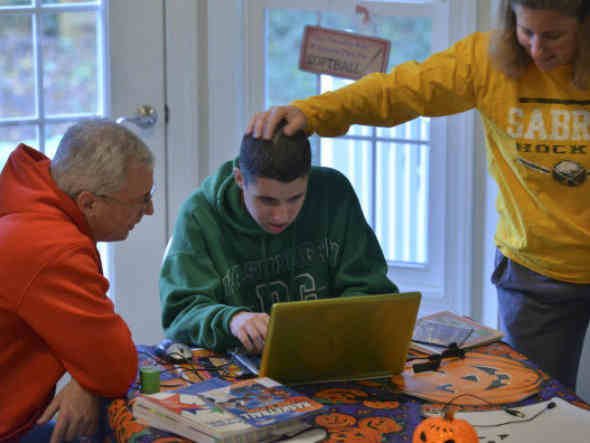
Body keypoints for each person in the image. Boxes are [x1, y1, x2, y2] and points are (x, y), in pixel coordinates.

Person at [247, 0, 590, 390]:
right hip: (534, 273)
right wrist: (312, 112)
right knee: (536, 401)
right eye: (526, 32)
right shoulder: (485, 60)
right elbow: (400, 91)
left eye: (554, 36)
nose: (536, 49)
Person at [160, 122, 398, 355]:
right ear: (239, 179)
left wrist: (333, 325)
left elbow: (371, 289)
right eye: (267, 200)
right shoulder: (199, 215)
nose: (281, 216)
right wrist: (232, 320)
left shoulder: (334, 193)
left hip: (329, 352)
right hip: (238, 363)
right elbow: (180, 315)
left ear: (308, 178)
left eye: (295, 198)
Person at [0, 119, 155, 442]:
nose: (149, 210)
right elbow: (115, 367)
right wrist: (93, 376)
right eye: (140, 200)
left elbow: (97, 358)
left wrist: (86, 379)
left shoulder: (30, 199)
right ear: (88, 202)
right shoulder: (52, 249)